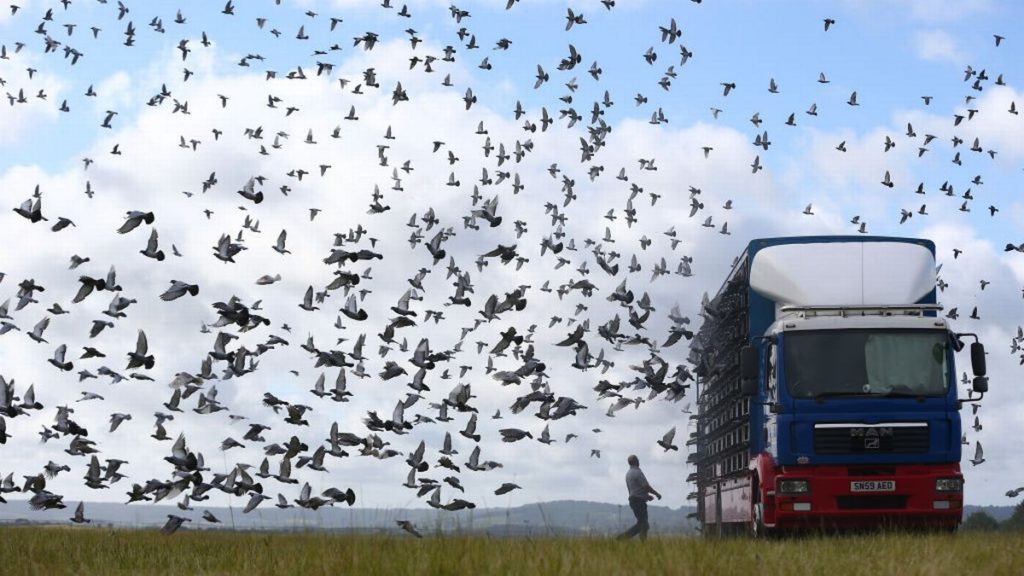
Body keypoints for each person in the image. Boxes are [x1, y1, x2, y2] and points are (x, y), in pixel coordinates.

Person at [617, 454, 661, 541]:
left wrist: (646, 496)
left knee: (643, 525)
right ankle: (621, 538)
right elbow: (646, 486)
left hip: (634, 500)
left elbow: (634, 490)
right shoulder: (637, 472)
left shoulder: (628, 474)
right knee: (643, 524)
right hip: (639, 502)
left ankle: (642, 544)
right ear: (637, 461)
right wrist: (657, 494)